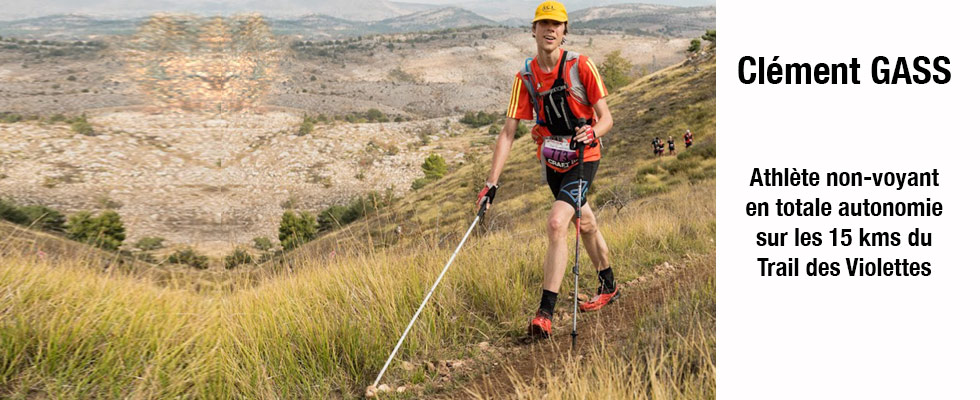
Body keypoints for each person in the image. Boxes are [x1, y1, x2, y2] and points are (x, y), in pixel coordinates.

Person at [476, 0, 619, 339]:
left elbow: (608, 117)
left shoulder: (581, 65)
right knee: (585, 222)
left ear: (565, 31)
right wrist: (491, 184)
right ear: (534, 29)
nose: (550, 30)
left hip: (585, 158)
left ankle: (545, 313)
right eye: (544, 24)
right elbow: (508, 132)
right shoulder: (524, 76)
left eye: (557, 25)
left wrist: (593, 131)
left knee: (557, 223)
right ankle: (609, 285)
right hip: (553, 162)